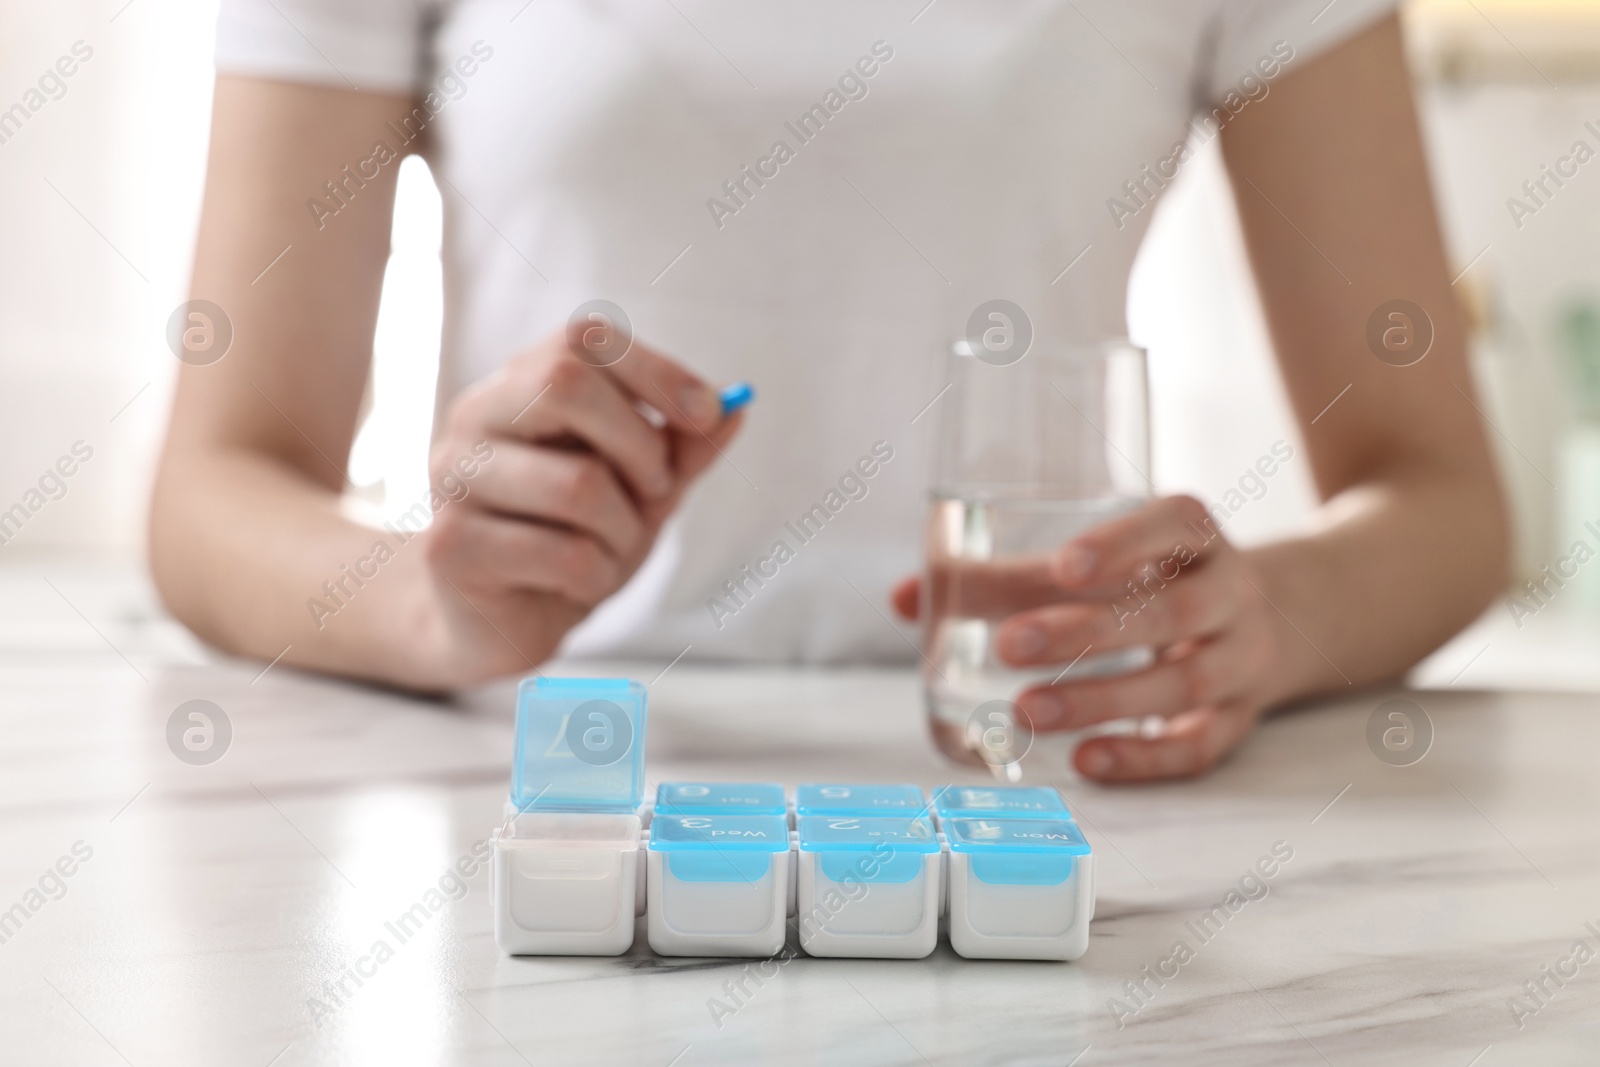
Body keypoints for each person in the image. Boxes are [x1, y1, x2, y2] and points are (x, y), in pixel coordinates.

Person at [150, 1, 1508, 783]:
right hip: (542, 779)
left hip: (1036, 774)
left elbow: (1442, 497)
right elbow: (212, 492)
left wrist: (1269, 618)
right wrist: (427, 600)